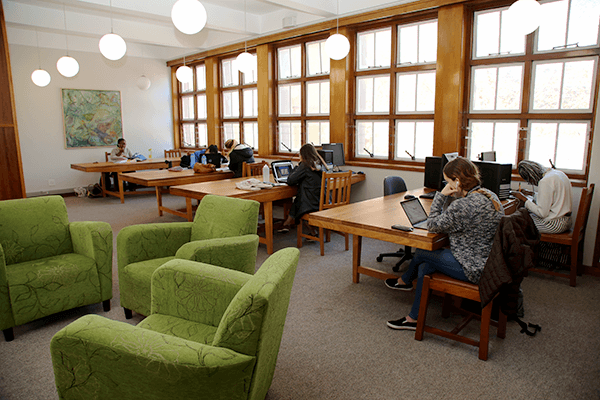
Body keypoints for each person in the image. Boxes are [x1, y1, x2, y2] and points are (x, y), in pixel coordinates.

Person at [385, 157, 504, 330]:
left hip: (474, 269)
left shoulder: (463, 206)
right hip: (490, 263)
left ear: (457, 181)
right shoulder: (489, 195)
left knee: (422, 252)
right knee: (424, 267)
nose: (446, 185)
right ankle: (413, 318)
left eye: (447, 182)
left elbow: (432, 225)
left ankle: (405, 281)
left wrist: (441, 196)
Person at [511, 160, 572, 234]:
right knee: (524, 216)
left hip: (554, 224)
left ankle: (529, 245)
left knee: (513, 225)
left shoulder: (545, 181)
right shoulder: (558, 173)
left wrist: (524, 198)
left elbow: (542, 213)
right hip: (566, 221)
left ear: (531, 176)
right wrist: (532, 193)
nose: (531, 183)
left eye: (529, 181)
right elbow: (552, 197)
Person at [279, 143, 328, 234]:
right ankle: (288, 223)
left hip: (310, 205)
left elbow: (290, 180)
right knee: (299, 197)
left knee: (300, 199)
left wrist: (297, 166)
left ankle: (289, 223)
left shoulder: (305, 165)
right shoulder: (320, 165)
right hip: (322, 201)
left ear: (303, 155)